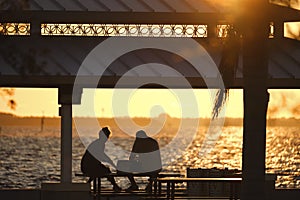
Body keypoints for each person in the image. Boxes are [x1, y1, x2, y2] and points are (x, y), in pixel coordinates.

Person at [81, 127, 121, 192]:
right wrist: (112, 163)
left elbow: (101, 157)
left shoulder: (98, 143)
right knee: (106, 171)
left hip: (89, 166)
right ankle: (115, 186)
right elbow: (102, 156)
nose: (107, 138)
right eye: (106, 136)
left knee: (100, 170)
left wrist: (111, 163)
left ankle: (86, 184)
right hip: (88, 167)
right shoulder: (99, 144)